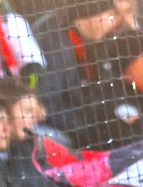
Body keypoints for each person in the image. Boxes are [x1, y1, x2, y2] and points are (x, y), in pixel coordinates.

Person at [34, 0, 122, 141]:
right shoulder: (57, 44)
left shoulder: (89, 45)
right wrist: (90, 131)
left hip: (79, 126)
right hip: (52, 129)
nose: (113, 25)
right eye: (110, 17)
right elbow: (48, 103)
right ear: (93, 13)